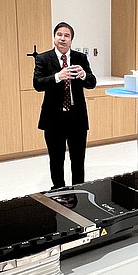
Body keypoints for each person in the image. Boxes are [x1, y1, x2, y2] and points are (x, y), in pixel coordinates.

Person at [33, 21, 97, 189]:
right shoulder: (43, 58)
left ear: (71, 40)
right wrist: (57, 76)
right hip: (54, 117)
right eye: (59, 35)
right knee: (56, 158)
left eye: (66, 35)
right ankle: (59, 191)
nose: (62, 38)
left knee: (78, 158)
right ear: (54, 37)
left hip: (77, 117)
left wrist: (84, 75)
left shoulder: (80, 58)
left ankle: (79, 191)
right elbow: (37, 84)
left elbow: (92, 83)